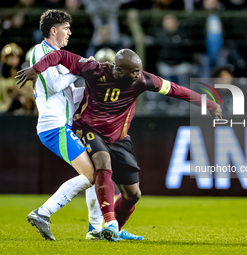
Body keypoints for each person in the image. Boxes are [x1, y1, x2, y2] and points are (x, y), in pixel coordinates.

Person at [16, 48, 222, 242]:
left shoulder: (143, 80)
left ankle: (114, 231)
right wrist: (37, 68)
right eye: (133, 72)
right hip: (89, 130)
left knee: (133, 194)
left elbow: (176, 90)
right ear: (117, 69)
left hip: (119, 138)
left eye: (138, 71)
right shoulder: (94, 70)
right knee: (102, 161)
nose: (137, 76)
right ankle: (110, 222)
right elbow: (60, 55)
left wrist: (209, 103)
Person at [21, 9, 97, 241]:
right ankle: (42, 213)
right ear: (53, 30)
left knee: (96, 171)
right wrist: (82, 69)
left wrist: (96, 90)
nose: (69, 32)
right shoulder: (39, 52)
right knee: (92, 174)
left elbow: (70, 95)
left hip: (61, 125)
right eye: (66, 28)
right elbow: (54, 85)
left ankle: (96, 229)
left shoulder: (60, 57)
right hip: (53, 127)